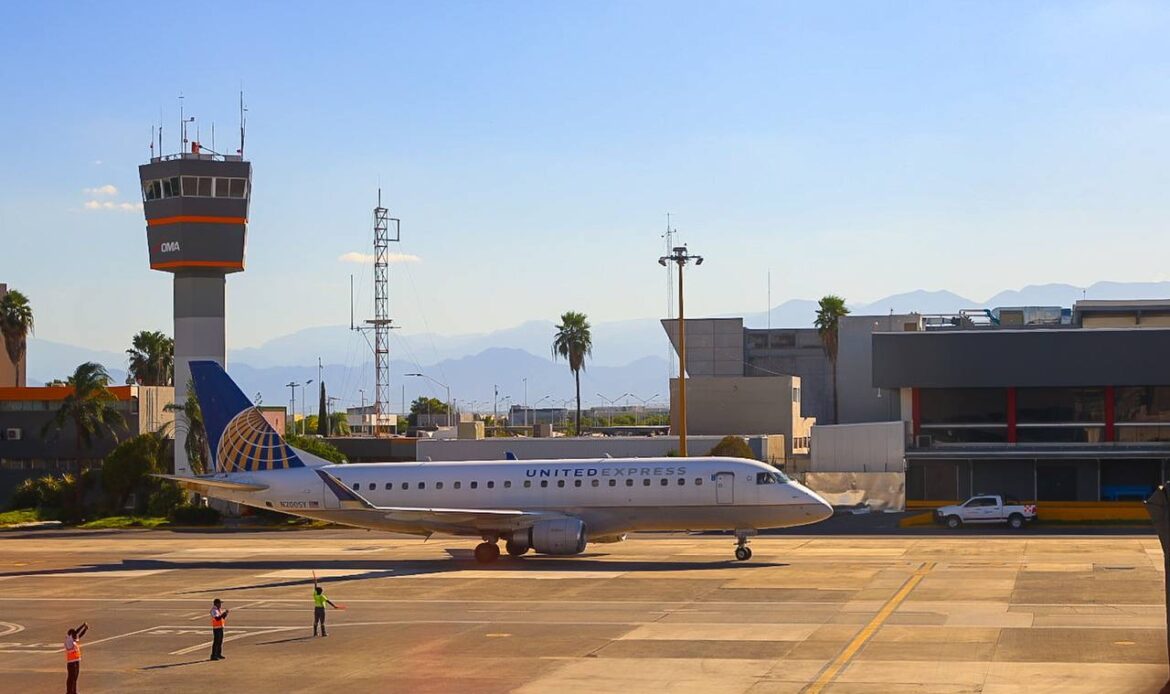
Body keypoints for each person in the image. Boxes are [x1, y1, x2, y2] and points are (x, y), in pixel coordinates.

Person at [64, 622, 87, 694]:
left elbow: (79, 635)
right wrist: (82, 625)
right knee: (71, 678)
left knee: (75, 677)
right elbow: (76, 631)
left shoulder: (73, 640)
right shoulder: (68, 640)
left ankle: (74, 692)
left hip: (76, 661)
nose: (75, 636)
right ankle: (69, 692)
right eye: (73, 635)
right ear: (70, 635)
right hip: (71, 663)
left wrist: (85, 629)